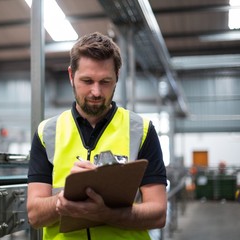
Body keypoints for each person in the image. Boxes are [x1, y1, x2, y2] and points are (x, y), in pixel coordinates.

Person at [27, 32, 167, 240]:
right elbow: (35, 215)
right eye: (87, 80)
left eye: (105, 82)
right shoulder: (47, 132)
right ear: (71, 76)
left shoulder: (141, 130)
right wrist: (63, 199)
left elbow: (158, 213)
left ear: (117, 78)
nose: (96, 92)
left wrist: (107, 214)